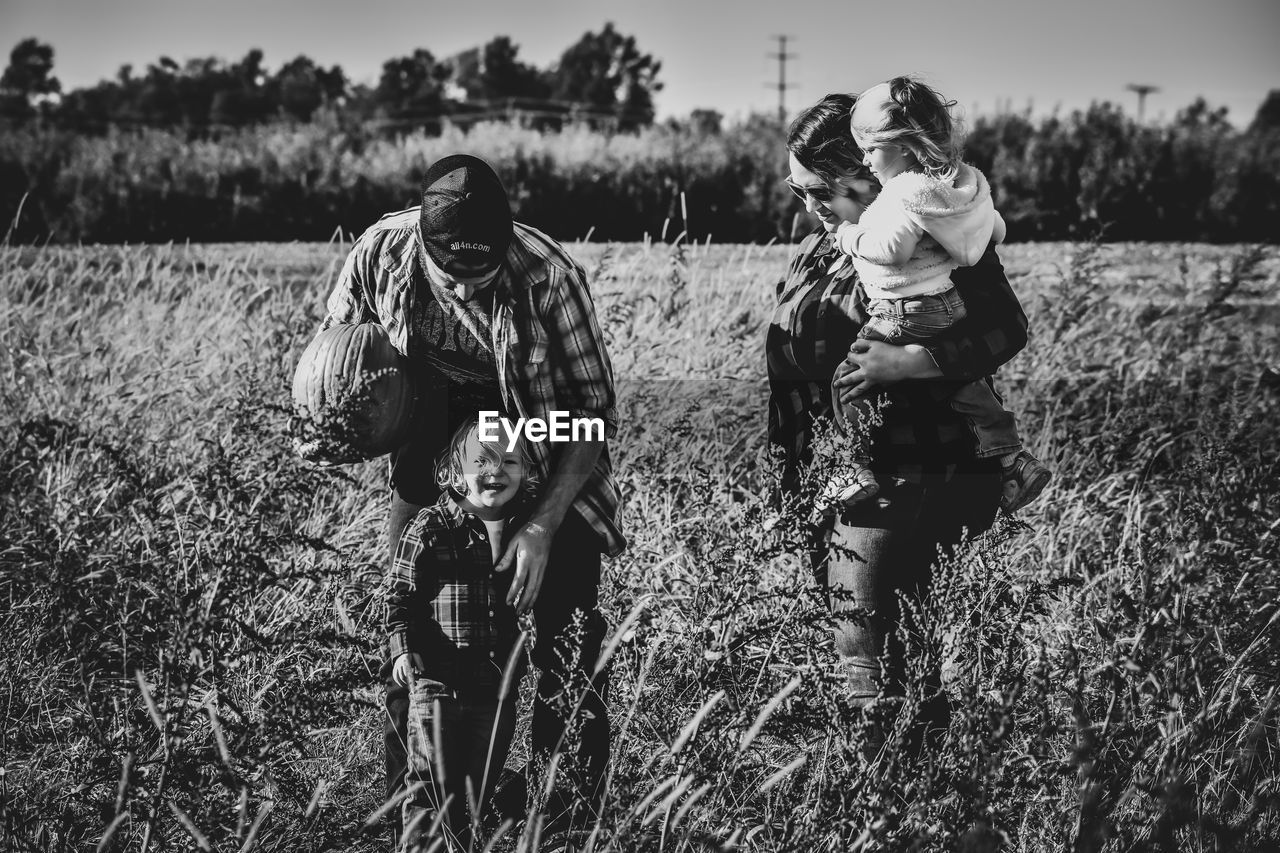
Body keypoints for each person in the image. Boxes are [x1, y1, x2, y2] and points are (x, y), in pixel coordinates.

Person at [316, 154, 624, 838]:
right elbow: (337, 349)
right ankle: (420, 817)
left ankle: (568, 821)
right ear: (423, 246)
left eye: (479, 276)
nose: (463, 287)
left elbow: (593, 413)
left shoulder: (547, 274)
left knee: (566, 644)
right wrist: (335, 420)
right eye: (449, 272)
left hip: (536, 447)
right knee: (417, 639)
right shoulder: (380, 252)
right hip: (429, 451)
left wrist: (543, 525)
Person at [768, 93, 1032, 718]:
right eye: (796, 188)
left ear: (867, 173)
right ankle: (922, 802)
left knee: (868, 679)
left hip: (907, 473)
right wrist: (789, 483)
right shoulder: (822, 247)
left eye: (819, 189)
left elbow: (1005, 327)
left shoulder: (925, 234)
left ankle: (885, 806)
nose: (807, 206)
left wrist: (912, 363)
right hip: (834, 477)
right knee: (900, 668)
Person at [824, 76, 1050, 515]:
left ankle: (856, 466)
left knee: (849, 378)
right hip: (945, 302)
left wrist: (850, 236)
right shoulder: (959, 186)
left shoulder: (904, 191)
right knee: (961, 384)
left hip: (905, 308)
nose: (866, 162)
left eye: (870, 150)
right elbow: (996, 229)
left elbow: (893, 249)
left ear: (903, 144)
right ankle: (1010, 456)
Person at [390, 418, 535, 849]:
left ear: (526, 472)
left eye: (509, 461)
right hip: (436, 684)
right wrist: (402, 648)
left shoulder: (523, 533)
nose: (496, 470)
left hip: (493, 689)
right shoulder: (431, 526)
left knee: (478, 784)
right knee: (429, 783)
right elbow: (399, 594)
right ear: (453, 473)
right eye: (482, 460)